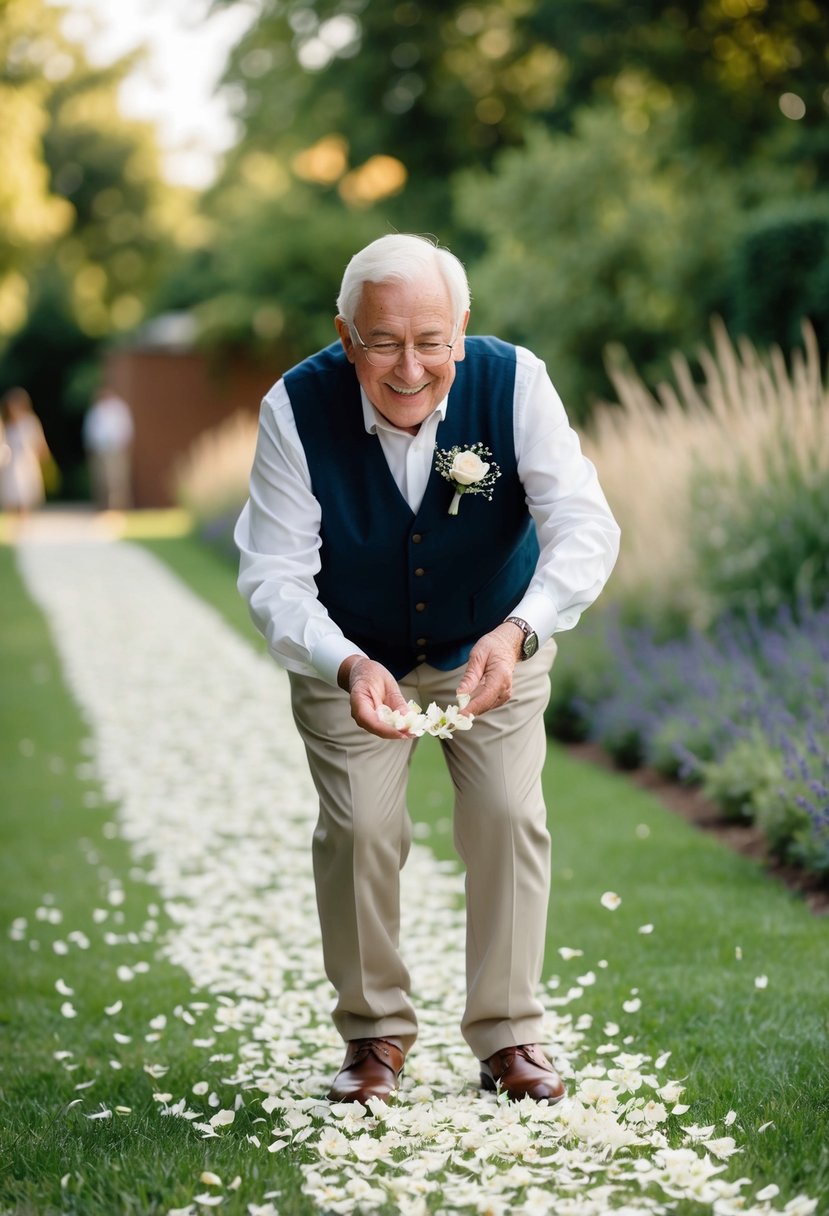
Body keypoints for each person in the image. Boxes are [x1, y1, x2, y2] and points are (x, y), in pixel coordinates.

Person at [235, 234, 620, 1106]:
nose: (410, 368)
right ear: (345, 335)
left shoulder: (515, 383)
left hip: (494, 639)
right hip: (348, 648)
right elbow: (274, 574)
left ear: (462, 329)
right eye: (382, 342)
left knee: (506, 813)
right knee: (363, 829)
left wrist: (519, 630)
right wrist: (343, 662)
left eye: (431, 341)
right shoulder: (293, 409)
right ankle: (372, 1037)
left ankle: (510, 1035)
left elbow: (585, 527)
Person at [0, 387, 53, 515]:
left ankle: (23, 520)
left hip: (27, 462)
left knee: (24, 493)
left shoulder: (30, 422)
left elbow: (39, 442)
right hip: (9, 464)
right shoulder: (5, 424)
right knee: (11, 493)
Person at [82, 386, 134, 511]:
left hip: (116, 450)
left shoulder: (119, 409)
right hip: (100, 451)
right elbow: (89, 431)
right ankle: (103, 507)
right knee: (101, 481)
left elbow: (127, 429)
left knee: (117, 481)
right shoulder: (96, 410)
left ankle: (118, 508)